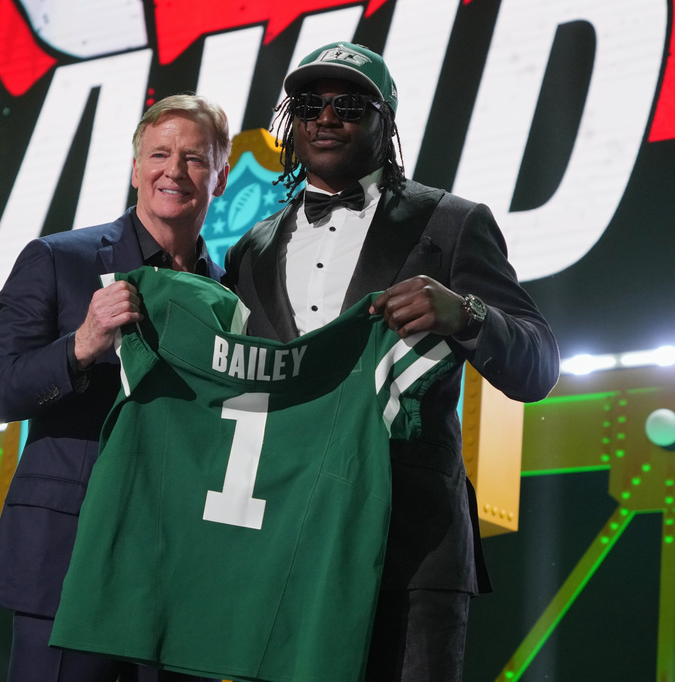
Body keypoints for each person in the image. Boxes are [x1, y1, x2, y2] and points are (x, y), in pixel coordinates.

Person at [223, 42, 560, 681]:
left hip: (412, 546)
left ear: (388, 123)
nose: (326, 117)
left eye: (350, 104)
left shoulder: (453, 222)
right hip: (285, 545)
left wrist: (467, 314)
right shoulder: (252, 249)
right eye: (310, 103)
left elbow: (539, 366)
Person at [0, 94, 229, 682]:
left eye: (193, 158)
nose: (174, 170)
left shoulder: (232, 293)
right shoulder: (59, 259)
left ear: (221, 173)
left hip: (184, 568)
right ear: (135, 168)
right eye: (159, 154)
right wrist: (80, 345)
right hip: (68, 555)